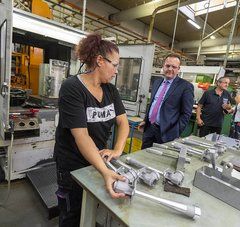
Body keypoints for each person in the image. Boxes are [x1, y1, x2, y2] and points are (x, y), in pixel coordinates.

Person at [54, 33, 129, 227]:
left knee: (89, 208)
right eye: (115, 65)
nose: (116, 71)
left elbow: (123, 123)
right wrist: (105, 172)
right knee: (72, 212)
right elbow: (82, 136)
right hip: (72, 164)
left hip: (96, 162)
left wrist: (117, 150)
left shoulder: (111, 91)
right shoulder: (72, 88)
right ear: (100, 61)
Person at [139, 53, 194, 149]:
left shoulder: (185, 86)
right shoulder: (157, 82)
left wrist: (175, 133)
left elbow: (186, 114)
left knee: (160, 160)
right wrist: (145, 120)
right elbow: (153, 103)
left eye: (174, 67)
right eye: (167, 66)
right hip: (149, 128)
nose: (170, 69)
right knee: (143, 155)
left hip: (166, 133)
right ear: (163, 66)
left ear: (178, 69)